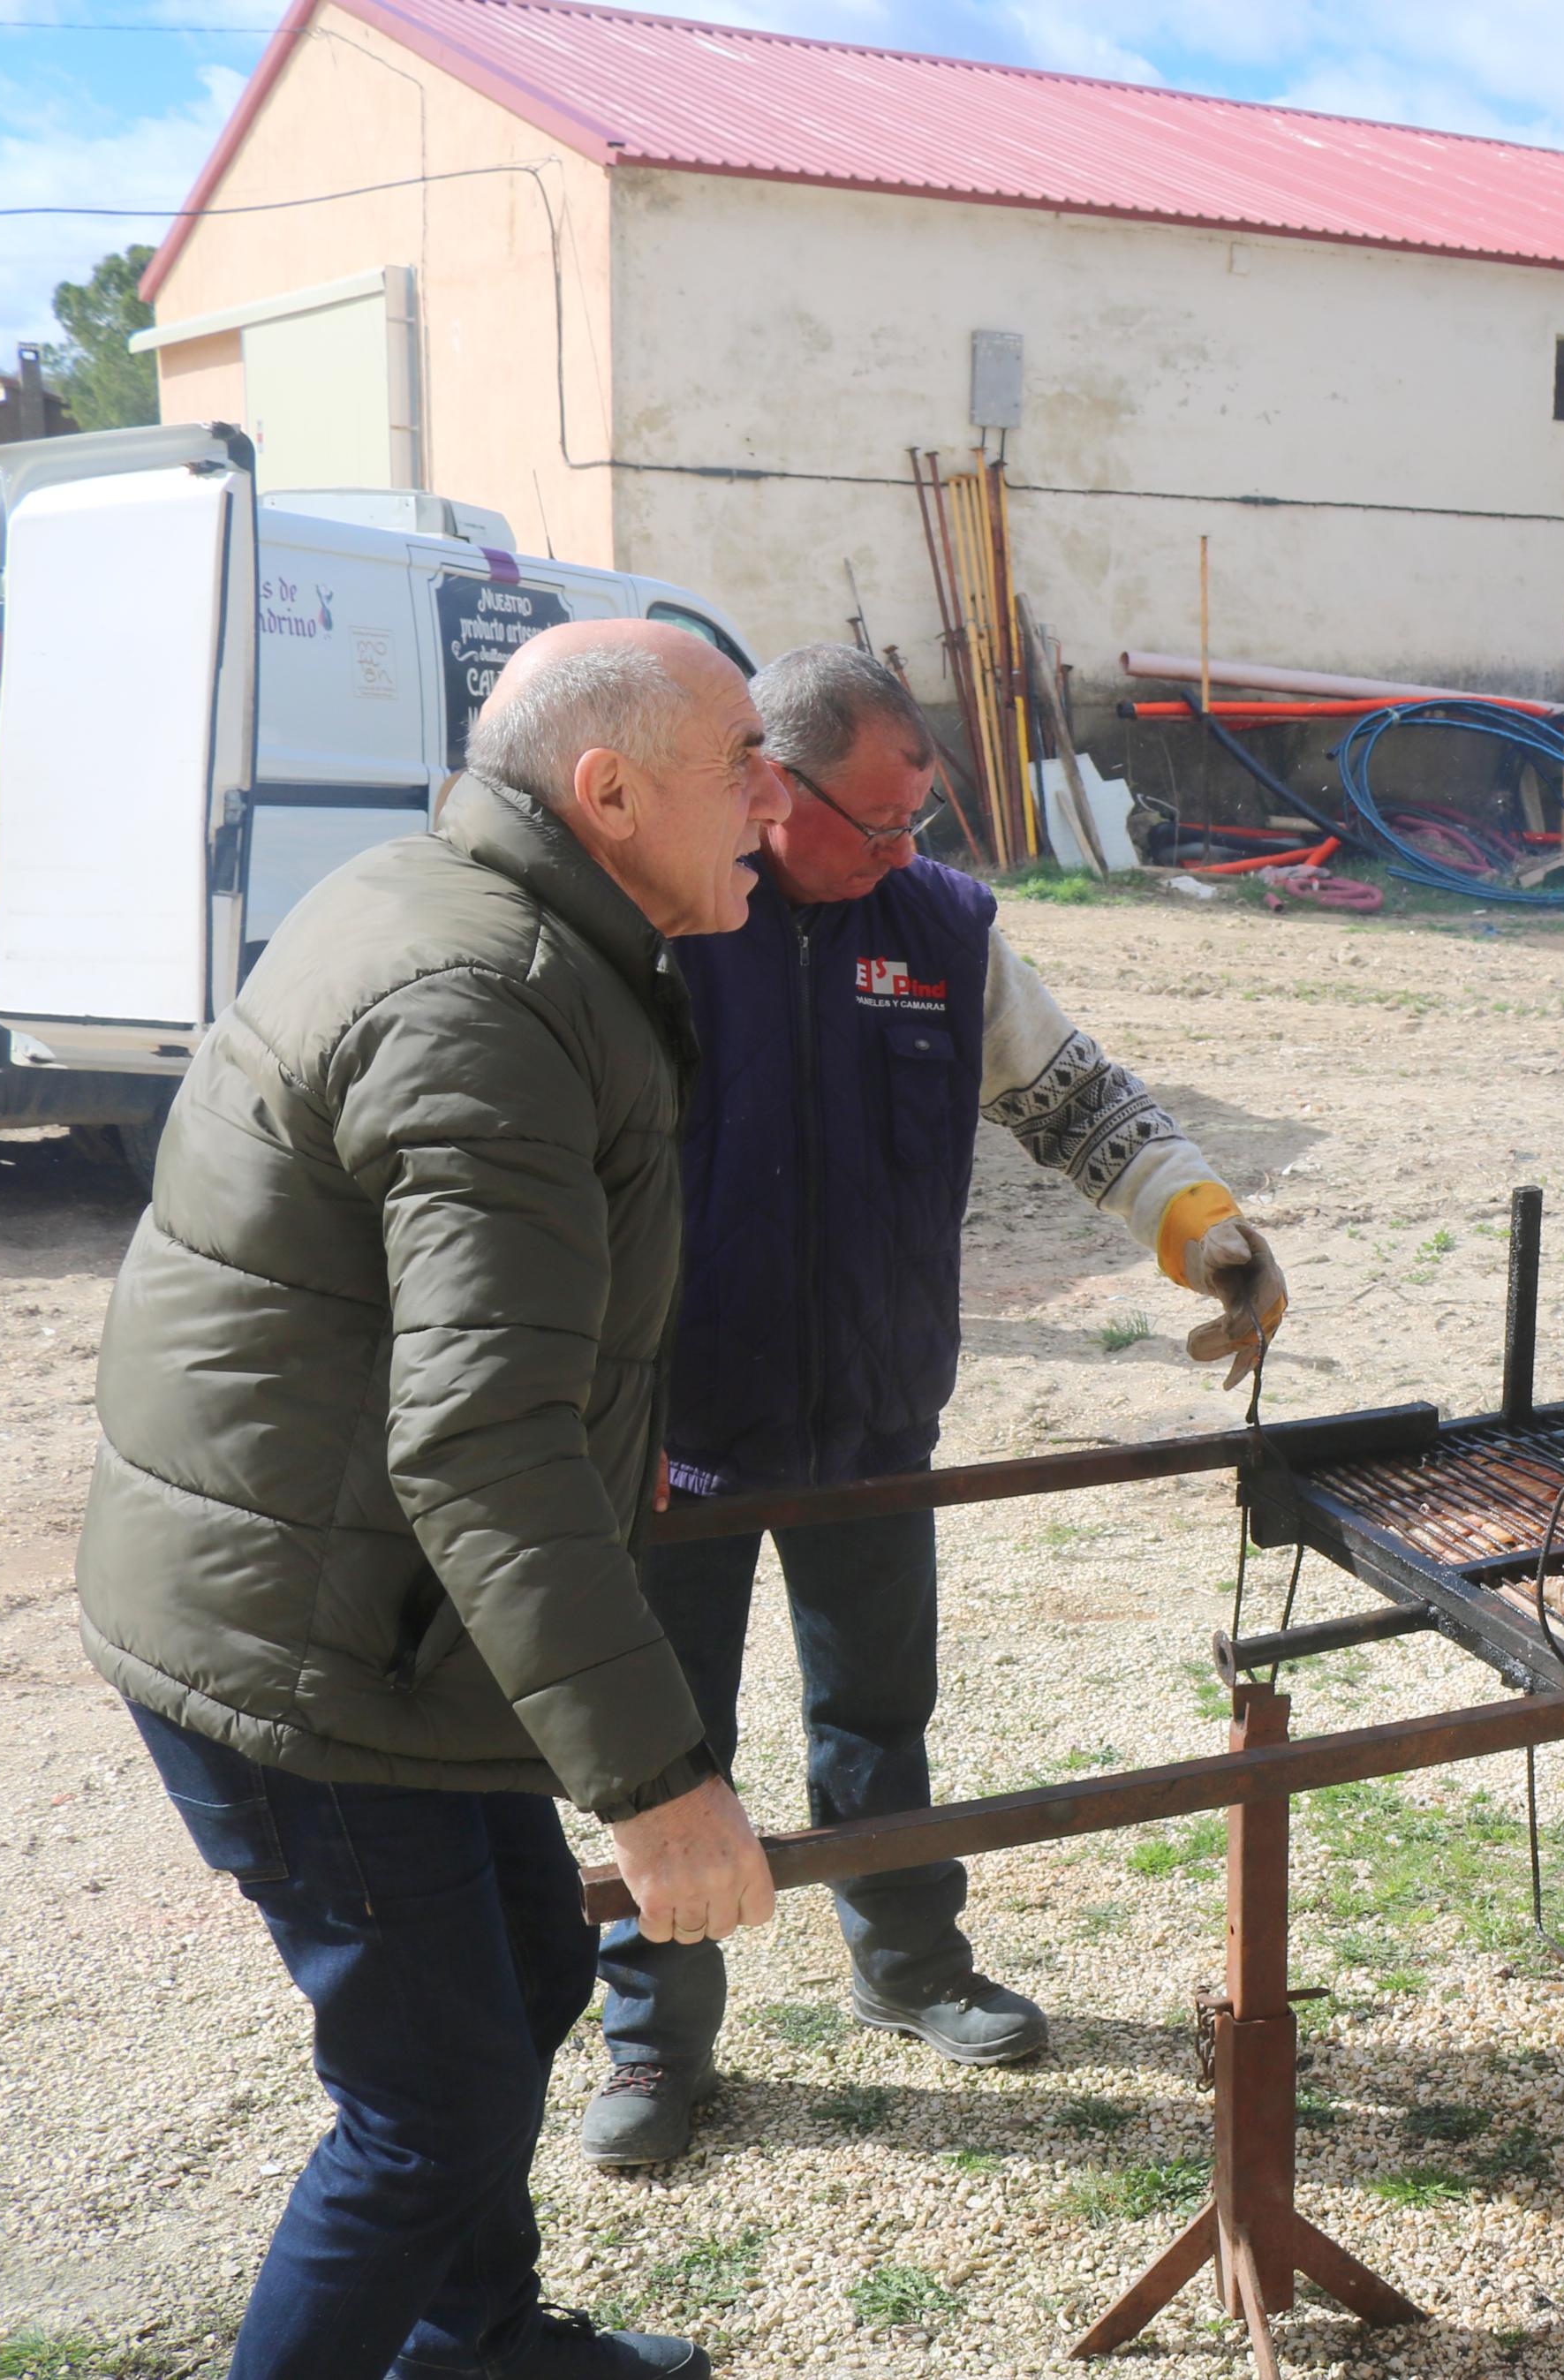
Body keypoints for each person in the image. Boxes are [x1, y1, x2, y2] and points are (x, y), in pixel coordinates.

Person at [79, 621, 795, 2379]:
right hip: (312, 1651)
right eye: (744, 763)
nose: (775, 804)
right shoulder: (487, 994)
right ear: (608, 791)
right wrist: (658, 1782)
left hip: (368, 1598)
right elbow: (480, 1438)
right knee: (433, 2106)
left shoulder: (503, 916)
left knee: (526, 1993)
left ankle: (476, 2344)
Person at [579, 644, 1287, 2165]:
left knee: (879, 1717)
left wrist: (1206, 1227)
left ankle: (907, 1967)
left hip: (873, 1427)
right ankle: (651, 2041)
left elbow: (1076, 1101)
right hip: (669, 1444)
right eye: (883, 826)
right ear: (772, 784)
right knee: (663, 1743)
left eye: (921, 827)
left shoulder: (943, 933)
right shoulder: (654, 924)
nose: (909, 855)